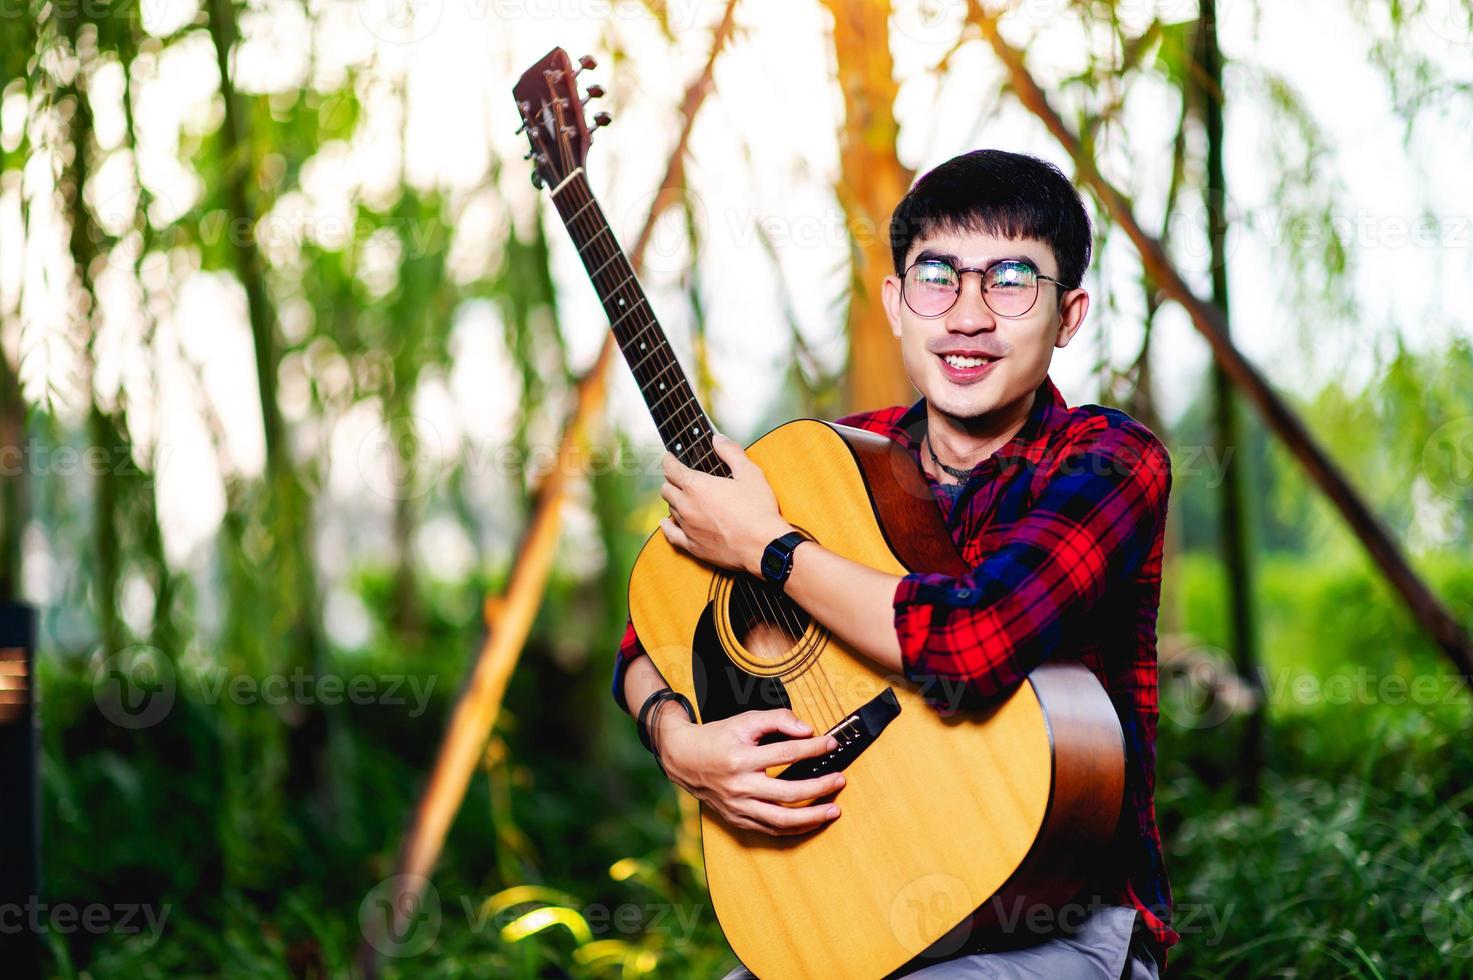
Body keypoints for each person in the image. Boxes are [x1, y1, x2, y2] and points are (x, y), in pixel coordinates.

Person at [610, 149, 1179, 978]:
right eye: (936, 277)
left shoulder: (1106, 462)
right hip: (848, 897)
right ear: (896, 304)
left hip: (1051, 921)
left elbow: (969, 646)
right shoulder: (836, 461)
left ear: (1068, 315)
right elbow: (647, 638)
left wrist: (768, 547)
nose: (968, 315)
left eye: (1012, 279)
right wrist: (677, 743)